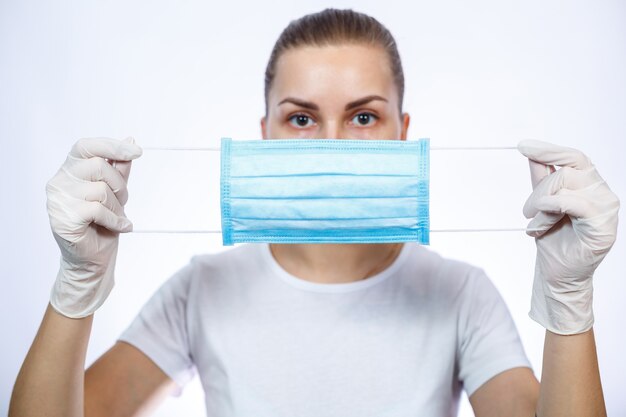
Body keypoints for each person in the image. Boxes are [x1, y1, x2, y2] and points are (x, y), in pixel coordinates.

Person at [9, 8, 619, 417]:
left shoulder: (460, 294)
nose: (332, 143)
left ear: (402, 133)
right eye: (302, 118)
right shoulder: (202, 288)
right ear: (265, 133)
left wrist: (570, 302)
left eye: (362, 116)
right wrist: (75, 288)